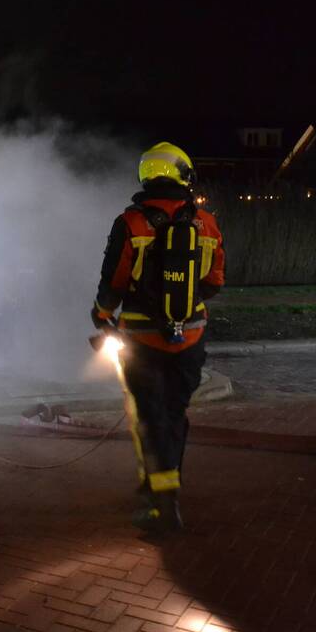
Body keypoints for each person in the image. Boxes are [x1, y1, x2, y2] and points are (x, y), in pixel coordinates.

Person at [91, 142, 226, 533]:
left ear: (146, 176)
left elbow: (113, 281)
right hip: (191, 336)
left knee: (148, 417)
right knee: (174, 413)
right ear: (183, 174)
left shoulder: (131, 223)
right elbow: (215, 282)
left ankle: (162, 503)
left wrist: (101, 314)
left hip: (141, 339)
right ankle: (167, 485)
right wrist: (182, 305)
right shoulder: (206, 223)